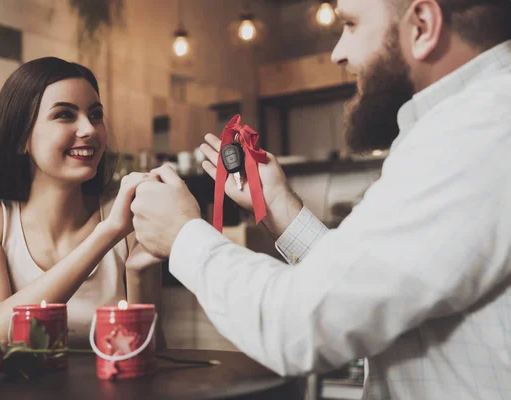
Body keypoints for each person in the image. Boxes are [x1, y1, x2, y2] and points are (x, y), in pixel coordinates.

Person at [130, 0, 511, 398]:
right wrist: (276, 203)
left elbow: (300, 325)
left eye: (350, 24)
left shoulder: (475, 133)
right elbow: (364, 285)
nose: (337, 53)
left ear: (422, 26)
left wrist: (184, 237)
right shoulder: (473, 124)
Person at [0, 57, 164, 348]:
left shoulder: (128, 223)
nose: (89, 129)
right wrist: (107, 233)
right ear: (20, 139)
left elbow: (149, 353)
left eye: (95, 115)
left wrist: (139, 274)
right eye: (65, 115)